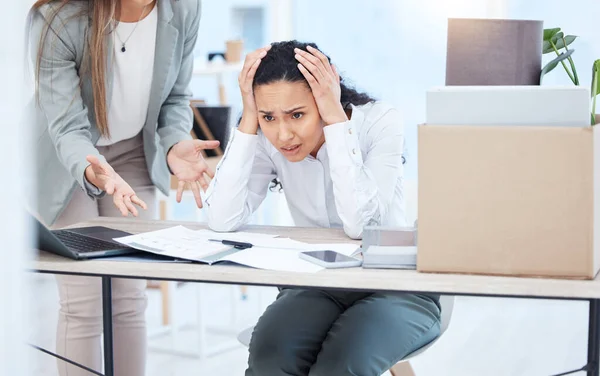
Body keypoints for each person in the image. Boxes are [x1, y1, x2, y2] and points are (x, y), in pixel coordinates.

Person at [205, 40, 441, 376]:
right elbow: (222, 219)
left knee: (341, 364)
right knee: (270, 360)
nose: (283, 134)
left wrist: (334, 122)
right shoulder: (267, 138)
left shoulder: (379, 122)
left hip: (395, 284)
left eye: (297, 115)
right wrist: (248, 121)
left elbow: (363, 227)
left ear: (325, 96)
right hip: (319, 284)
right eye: (268, 116)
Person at [27, 0, 217, 374]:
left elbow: (176, 97)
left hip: (133, 154)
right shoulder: (59, 19)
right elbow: (66, 128)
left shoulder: (183, 9)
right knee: (83, 300)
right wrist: (95, 171)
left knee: (128, 293)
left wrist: (176, 141)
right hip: (69, 159)